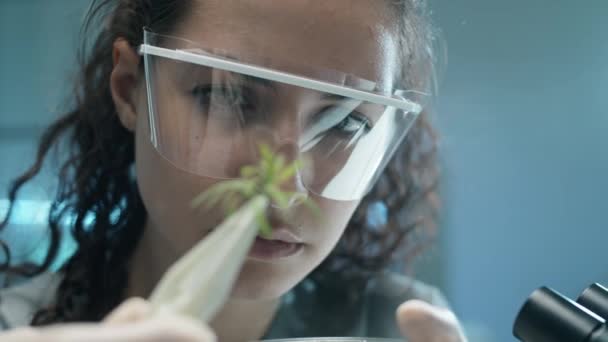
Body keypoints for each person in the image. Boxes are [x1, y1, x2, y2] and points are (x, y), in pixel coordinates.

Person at [0, 0, 467, 341]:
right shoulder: (19, 327)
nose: (283, 191)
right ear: (129, 90)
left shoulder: (403, 325)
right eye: (227, 97)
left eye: (346, 122)